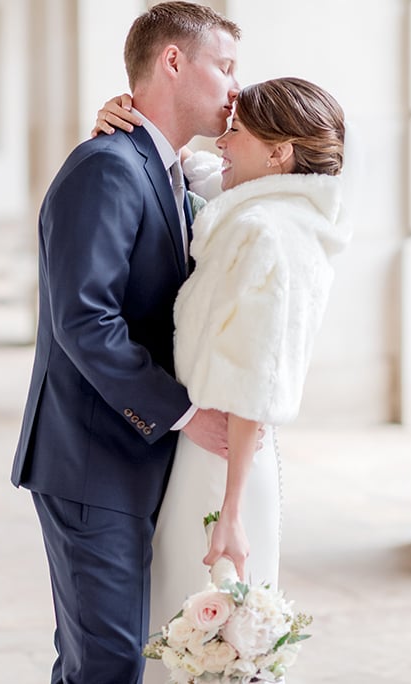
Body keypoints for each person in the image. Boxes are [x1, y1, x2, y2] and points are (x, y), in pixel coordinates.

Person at [10, 3, 243, 683]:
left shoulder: (169, 171)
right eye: (225, 67)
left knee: (103, 660)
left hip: (128, 458)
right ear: (173, 61)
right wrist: (184, 413)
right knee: (108, 665)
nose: (236, 88)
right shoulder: (107, 166)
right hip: (91, 461)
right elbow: (85, 321)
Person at [94, 77, 350, 684]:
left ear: (280, 153)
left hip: (221, 460)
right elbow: (190, 173)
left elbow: (255, 379)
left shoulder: (265, 234)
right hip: (212, 450)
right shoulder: (271, 212)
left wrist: (230, 509)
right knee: (194, 638)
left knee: (206, 637)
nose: (222, 140)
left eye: (236, 131)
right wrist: (128, 119)